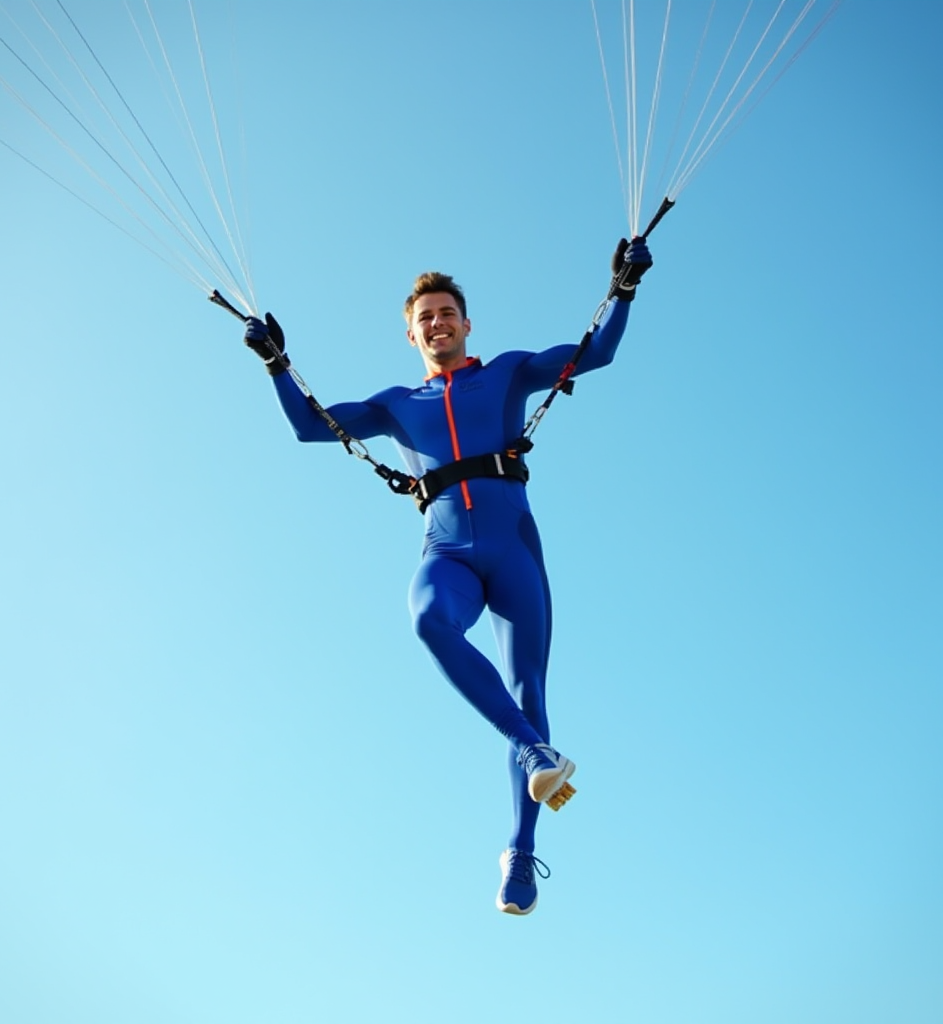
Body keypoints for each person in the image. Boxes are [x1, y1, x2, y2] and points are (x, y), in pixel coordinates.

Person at [242, 238, 652, 914]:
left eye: (448, 313)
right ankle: (530, 751)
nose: (438, 323)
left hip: (515, 547)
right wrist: (276, 364)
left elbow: (596, 352)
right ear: (411, 332)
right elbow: (309, 429)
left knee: (529, 691)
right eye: (425, 316)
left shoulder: (511, 373)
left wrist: (625, 289)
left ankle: (520, 853)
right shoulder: (396, 403)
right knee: (430, 621)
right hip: (449, 552)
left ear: (467, 324)